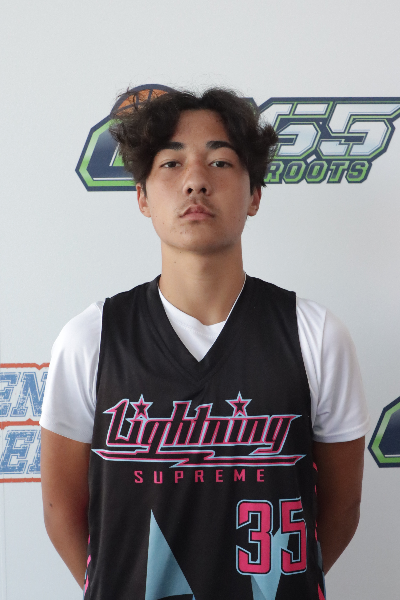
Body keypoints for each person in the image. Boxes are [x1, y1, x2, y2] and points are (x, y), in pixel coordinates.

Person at [40, 88, 369, 600]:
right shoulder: (92, 337)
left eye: (220, 162)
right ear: (142, 197)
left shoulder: (316, 335)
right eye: (171, 164)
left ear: (254, 195)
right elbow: (61, 507)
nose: (195, 180)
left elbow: (342, 506)